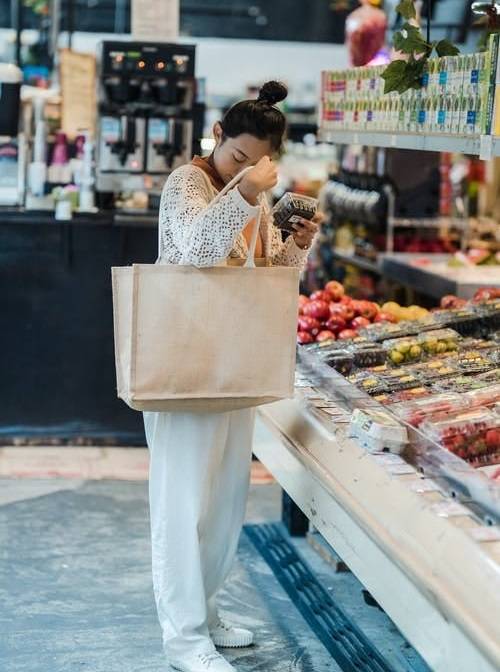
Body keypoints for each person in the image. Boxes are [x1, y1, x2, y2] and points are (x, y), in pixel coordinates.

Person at [143, 80, 322, 672]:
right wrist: (245, 192)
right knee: (182, 499)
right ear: (217, 136)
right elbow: (191, 252)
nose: (244, 168)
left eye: (257, 162)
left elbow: (265, 267)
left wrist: (295, 244)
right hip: (189, 364)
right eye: (236, 156)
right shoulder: (185, 183)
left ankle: (208, 611)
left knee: (224, 498)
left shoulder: (255, 191)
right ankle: (185, 636)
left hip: (234, 360)